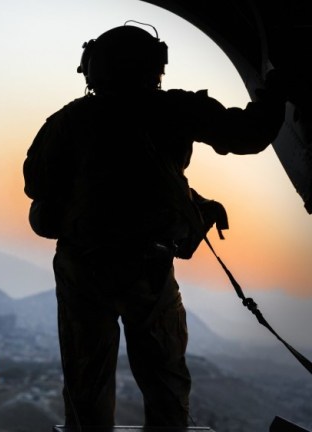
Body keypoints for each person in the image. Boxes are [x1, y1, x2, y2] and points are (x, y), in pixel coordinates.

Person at [23, 23, 286, 428]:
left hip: (84, 266)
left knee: (85, 385)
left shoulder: (69, 121)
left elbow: (35, 185)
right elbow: (249, 134)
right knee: (164, 383)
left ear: (93, 67)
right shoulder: (174, 110)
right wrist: (278, 86)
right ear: (155, 66)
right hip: (150, 266)